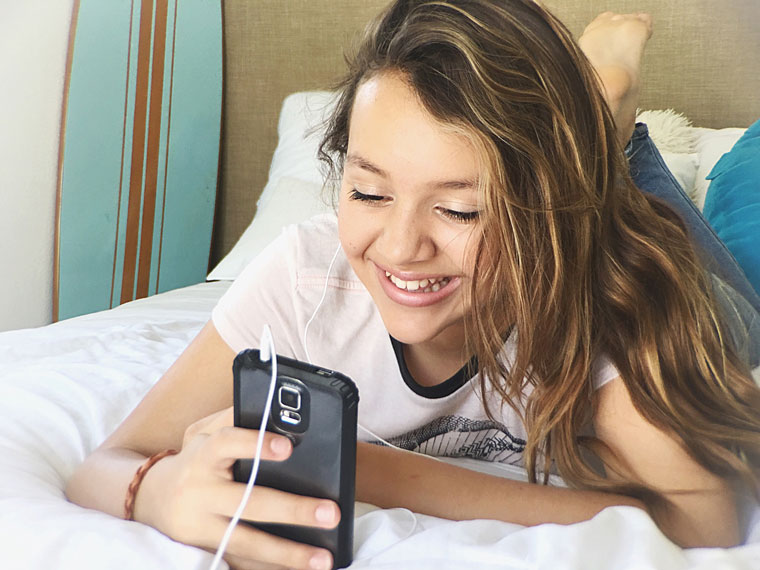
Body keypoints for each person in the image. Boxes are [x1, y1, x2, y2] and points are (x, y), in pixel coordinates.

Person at [66, 2, 760, 569]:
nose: (400, 248)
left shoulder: (618, 289)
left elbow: (706, 520)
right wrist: (154, 489)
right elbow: (106, 464)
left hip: (699, 294)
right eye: (369, 193)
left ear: (545, 214)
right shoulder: (308, 277)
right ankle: (596, 118)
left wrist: (364, 469)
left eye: (460, 210)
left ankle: (610, 120)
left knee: (629, 210)